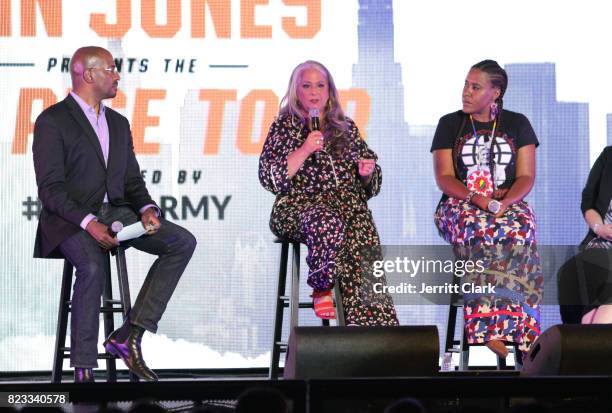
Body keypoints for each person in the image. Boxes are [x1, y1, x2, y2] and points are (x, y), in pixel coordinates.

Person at [33, 46, 197, 382]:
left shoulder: (118, 123)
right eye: (111, 69)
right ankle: (83, 370)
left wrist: (148, 209)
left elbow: (133, 181)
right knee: (92, 267)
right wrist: (89, 222)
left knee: (181, 241)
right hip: (70, 220)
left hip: (118, 214)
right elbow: (50, 190)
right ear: (88, 74)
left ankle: (129, 335)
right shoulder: (52, 120)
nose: (118, 75)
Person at [258, 60, 398, 326]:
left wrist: (367, 173)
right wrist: (304, 150)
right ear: (295, 90)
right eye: (307, 85)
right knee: (327, 221)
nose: (314, 92)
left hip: (346, 207)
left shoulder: (346, 128)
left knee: (361, 228)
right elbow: (269, 178)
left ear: (330, 91)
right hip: (297, 207)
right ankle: (321, 285)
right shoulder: (282, 127)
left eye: (320, 85)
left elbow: (372, 183)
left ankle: (368, 325)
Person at [431, 59, 542, 358]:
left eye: (475, 87)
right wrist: (477, 199)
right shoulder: (449, 123)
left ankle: (524, 330)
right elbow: (443, 177)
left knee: (521, 228)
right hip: (459, 205)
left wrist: (505, 202)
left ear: (495, 93)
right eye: (466, 84)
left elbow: (526, 176)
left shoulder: (517, 123)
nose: (466, 92)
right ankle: (487, 327)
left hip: (504, 205)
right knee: (480, 229)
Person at [558, 146, 612, 324]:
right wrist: (599, 228)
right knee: (571, 272)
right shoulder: (609, 155)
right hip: (601, 243)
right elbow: (588, 200)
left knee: (596, 319)